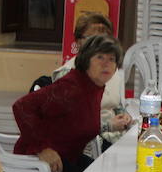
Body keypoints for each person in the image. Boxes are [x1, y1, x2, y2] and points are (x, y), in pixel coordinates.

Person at [11, 34, 124, 172]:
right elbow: (21, 106)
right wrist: (42, 148)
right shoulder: (72, 87)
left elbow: (76, 126)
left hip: (67, 158)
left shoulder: (94, 87)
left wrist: (110, 126)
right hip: (37, 164)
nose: (106, 64)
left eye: (111, 59)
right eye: (100, 57)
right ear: (86, 60)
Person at [49, 12, 132, 143]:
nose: (98, 45)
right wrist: (109, 125)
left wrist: (125, 116)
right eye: (92, 39)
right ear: (78, 42)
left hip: (117, 138)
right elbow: (69, 125)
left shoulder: (112, 71)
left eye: (103, 39)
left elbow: (116, 105)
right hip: (89, 145)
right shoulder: (67, 73)